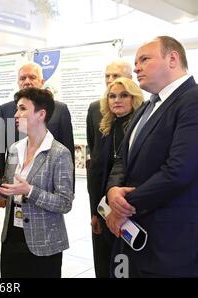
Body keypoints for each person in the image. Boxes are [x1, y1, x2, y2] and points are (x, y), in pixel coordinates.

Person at [106, 36, 198, 277]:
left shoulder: (192, 99)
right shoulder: (148, 106)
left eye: (144, 59)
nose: (136, 67)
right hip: (133, 235)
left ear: (173, 59)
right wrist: (113, 191)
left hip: (170, 241)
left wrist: (124, 206)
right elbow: (121, 160)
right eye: (135, 62)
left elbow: (179, 170)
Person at [0, 87, 73, 277]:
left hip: (44, 241)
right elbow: (10, 189)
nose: (16, 114)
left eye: (23, 109)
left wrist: (30, 191)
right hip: (12, 237)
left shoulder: (59, 153)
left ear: (41, 114)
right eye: (17, 109)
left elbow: (65, 203)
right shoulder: (15, 149)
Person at [0, 62, 74, 208]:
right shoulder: (5, 110)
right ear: (18, 82)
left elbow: (67, 149)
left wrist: (69, 189)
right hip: (14, 184)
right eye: (22, 78)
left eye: (32, 77)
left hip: (46, 189)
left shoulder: (60, 109)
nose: (27, 81)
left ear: (42, 82)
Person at [86, 59, 133, 278]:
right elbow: (94, 162)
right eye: (108, 76)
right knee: (103, 259)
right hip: (101, 202)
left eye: (117, 76)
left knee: (125, 262)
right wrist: (94, 210)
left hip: (128, 204)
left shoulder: (141, 118)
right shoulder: (97, 111)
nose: (111, 81)